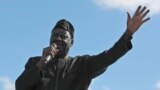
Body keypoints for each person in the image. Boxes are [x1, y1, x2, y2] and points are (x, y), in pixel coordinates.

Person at [16, 6, 150, 90]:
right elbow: (19, 86)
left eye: (63, 36)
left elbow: (109, 56)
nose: (58, 38)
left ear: (71, 42)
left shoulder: (82, 64)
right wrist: (41, 64)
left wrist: (128, 34)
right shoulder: (34, 63)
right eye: (55, 35)